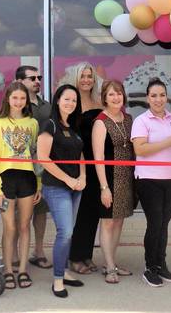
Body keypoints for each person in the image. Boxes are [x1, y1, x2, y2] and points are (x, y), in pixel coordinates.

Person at [131, 78, 171, 287]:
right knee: (155, 224)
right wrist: (167, 142)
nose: (158, 99)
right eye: (154, 95)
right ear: (147, 98)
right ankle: (150, 267)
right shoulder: (141, 121)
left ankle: (161, 264)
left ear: (167, 97)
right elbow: (140, 149)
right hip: (148, 179)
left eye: (162, 95)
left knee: (164, 224)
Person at [0, 81, 39, 289]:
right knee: (10, 227)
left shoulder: (32, 124)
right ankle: (8, 269)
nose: (18, 102)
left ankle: (23, 269)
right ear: (8, 99)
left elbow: (36, 156)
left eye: (22, 98)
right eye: (15, 98)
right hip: (5, 181)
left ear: (27, 101)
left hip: (27, 179)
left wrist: (40, 184)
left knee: (25, 226)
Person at [37, 84, 87, 298]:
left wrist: (82, 177)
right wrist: (68, 179)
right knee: (64, 232)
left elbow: (81, 156)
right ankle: (58, 280)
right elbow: (43, 159)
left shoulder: (73, 126)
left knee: (69, 233)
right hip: (57, 187)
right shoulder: (50, 125)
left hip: (76, 186)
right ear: (58, 100)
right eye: (67, 99)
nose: (70, 103)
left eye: (74, 100)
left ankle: (65, 271)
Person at [92, 80, 135, 284]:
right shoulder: (100, 122)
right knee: (108, 222)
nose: (116, 97)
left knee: (119, 221)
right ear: (104, 98)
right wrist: (104, 188)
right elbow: (98, 158)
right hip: (108, 178)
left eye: (118, 93)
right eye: (111, 94)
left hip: (126, 177)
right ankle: (109, 267)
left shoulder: (129, 119)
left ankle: (112, 262)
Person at [68, 62, 104, 275]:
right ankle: (74, 257)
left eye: (90, 76)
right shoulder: (70, 102)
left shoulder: (98, 102)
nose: (86, 80)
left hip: (97, 163)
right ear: (75, 77)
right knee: (79, 213)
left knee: (92, 211)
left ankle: (86, 254)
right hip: (77, 163)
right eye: (82, 76)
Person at [16, 65, 53, 270]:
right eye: (32, 78)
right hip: (17, 166)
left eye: (39, 77)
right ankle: (14, 255)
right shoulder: (13, 105)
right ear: (20, 81)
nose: (37, 81)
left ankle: (38, 251)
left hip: (40, 167)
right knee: (17, 214)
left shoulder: (47, 107)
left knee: (40, 210)